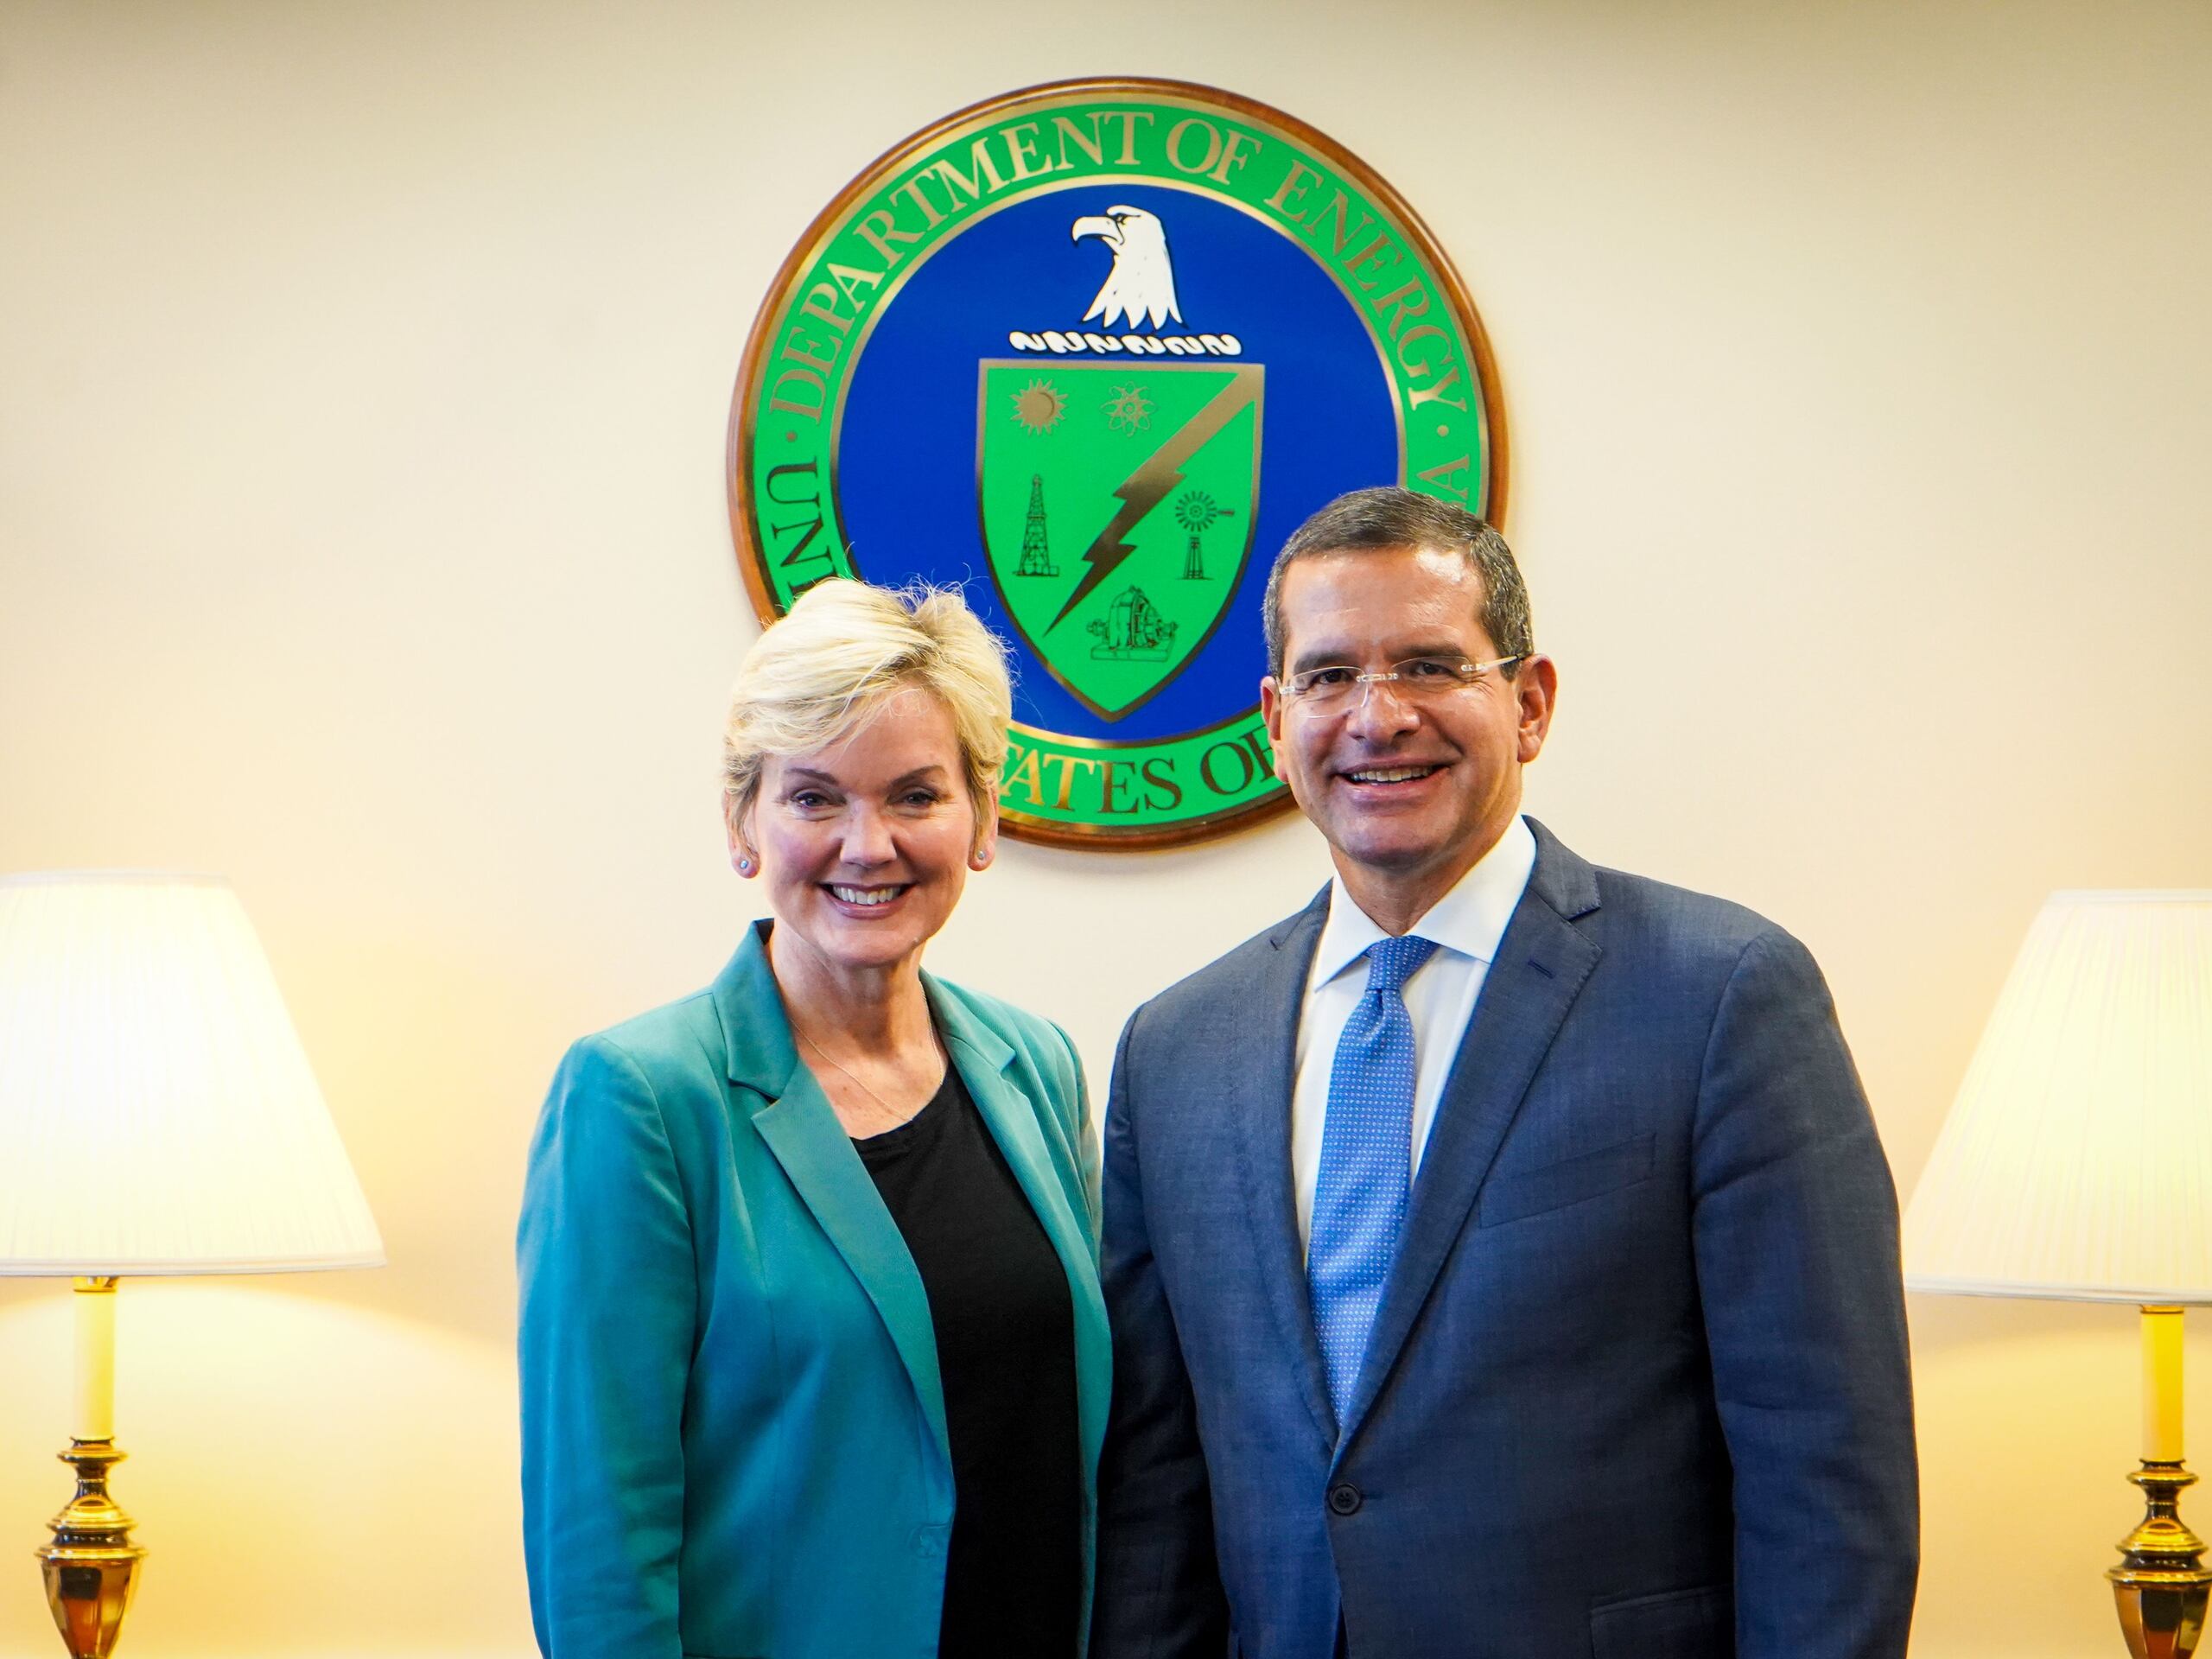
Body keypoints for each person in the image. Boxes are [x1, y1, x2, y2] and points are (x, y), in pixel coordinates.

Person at [1091, 487, 1917, 1659]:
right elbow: (1156, 1494)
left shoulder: (1721, 995)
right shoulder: (1175, 1049)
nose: (1378, 718)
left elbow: (1827, 1470)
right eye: (1329, 677)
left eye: (1431, 666)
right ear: (1277, 718)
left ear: (1529, 705)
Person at [518, 579, 1107, 1659]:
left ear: (983, 815)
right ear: (744, 822)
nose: (867, 844)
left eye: (916, 795)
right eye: (814, 798)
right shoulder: (639, 1097)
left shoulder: (1039, 1067)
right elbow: (598, 1531)